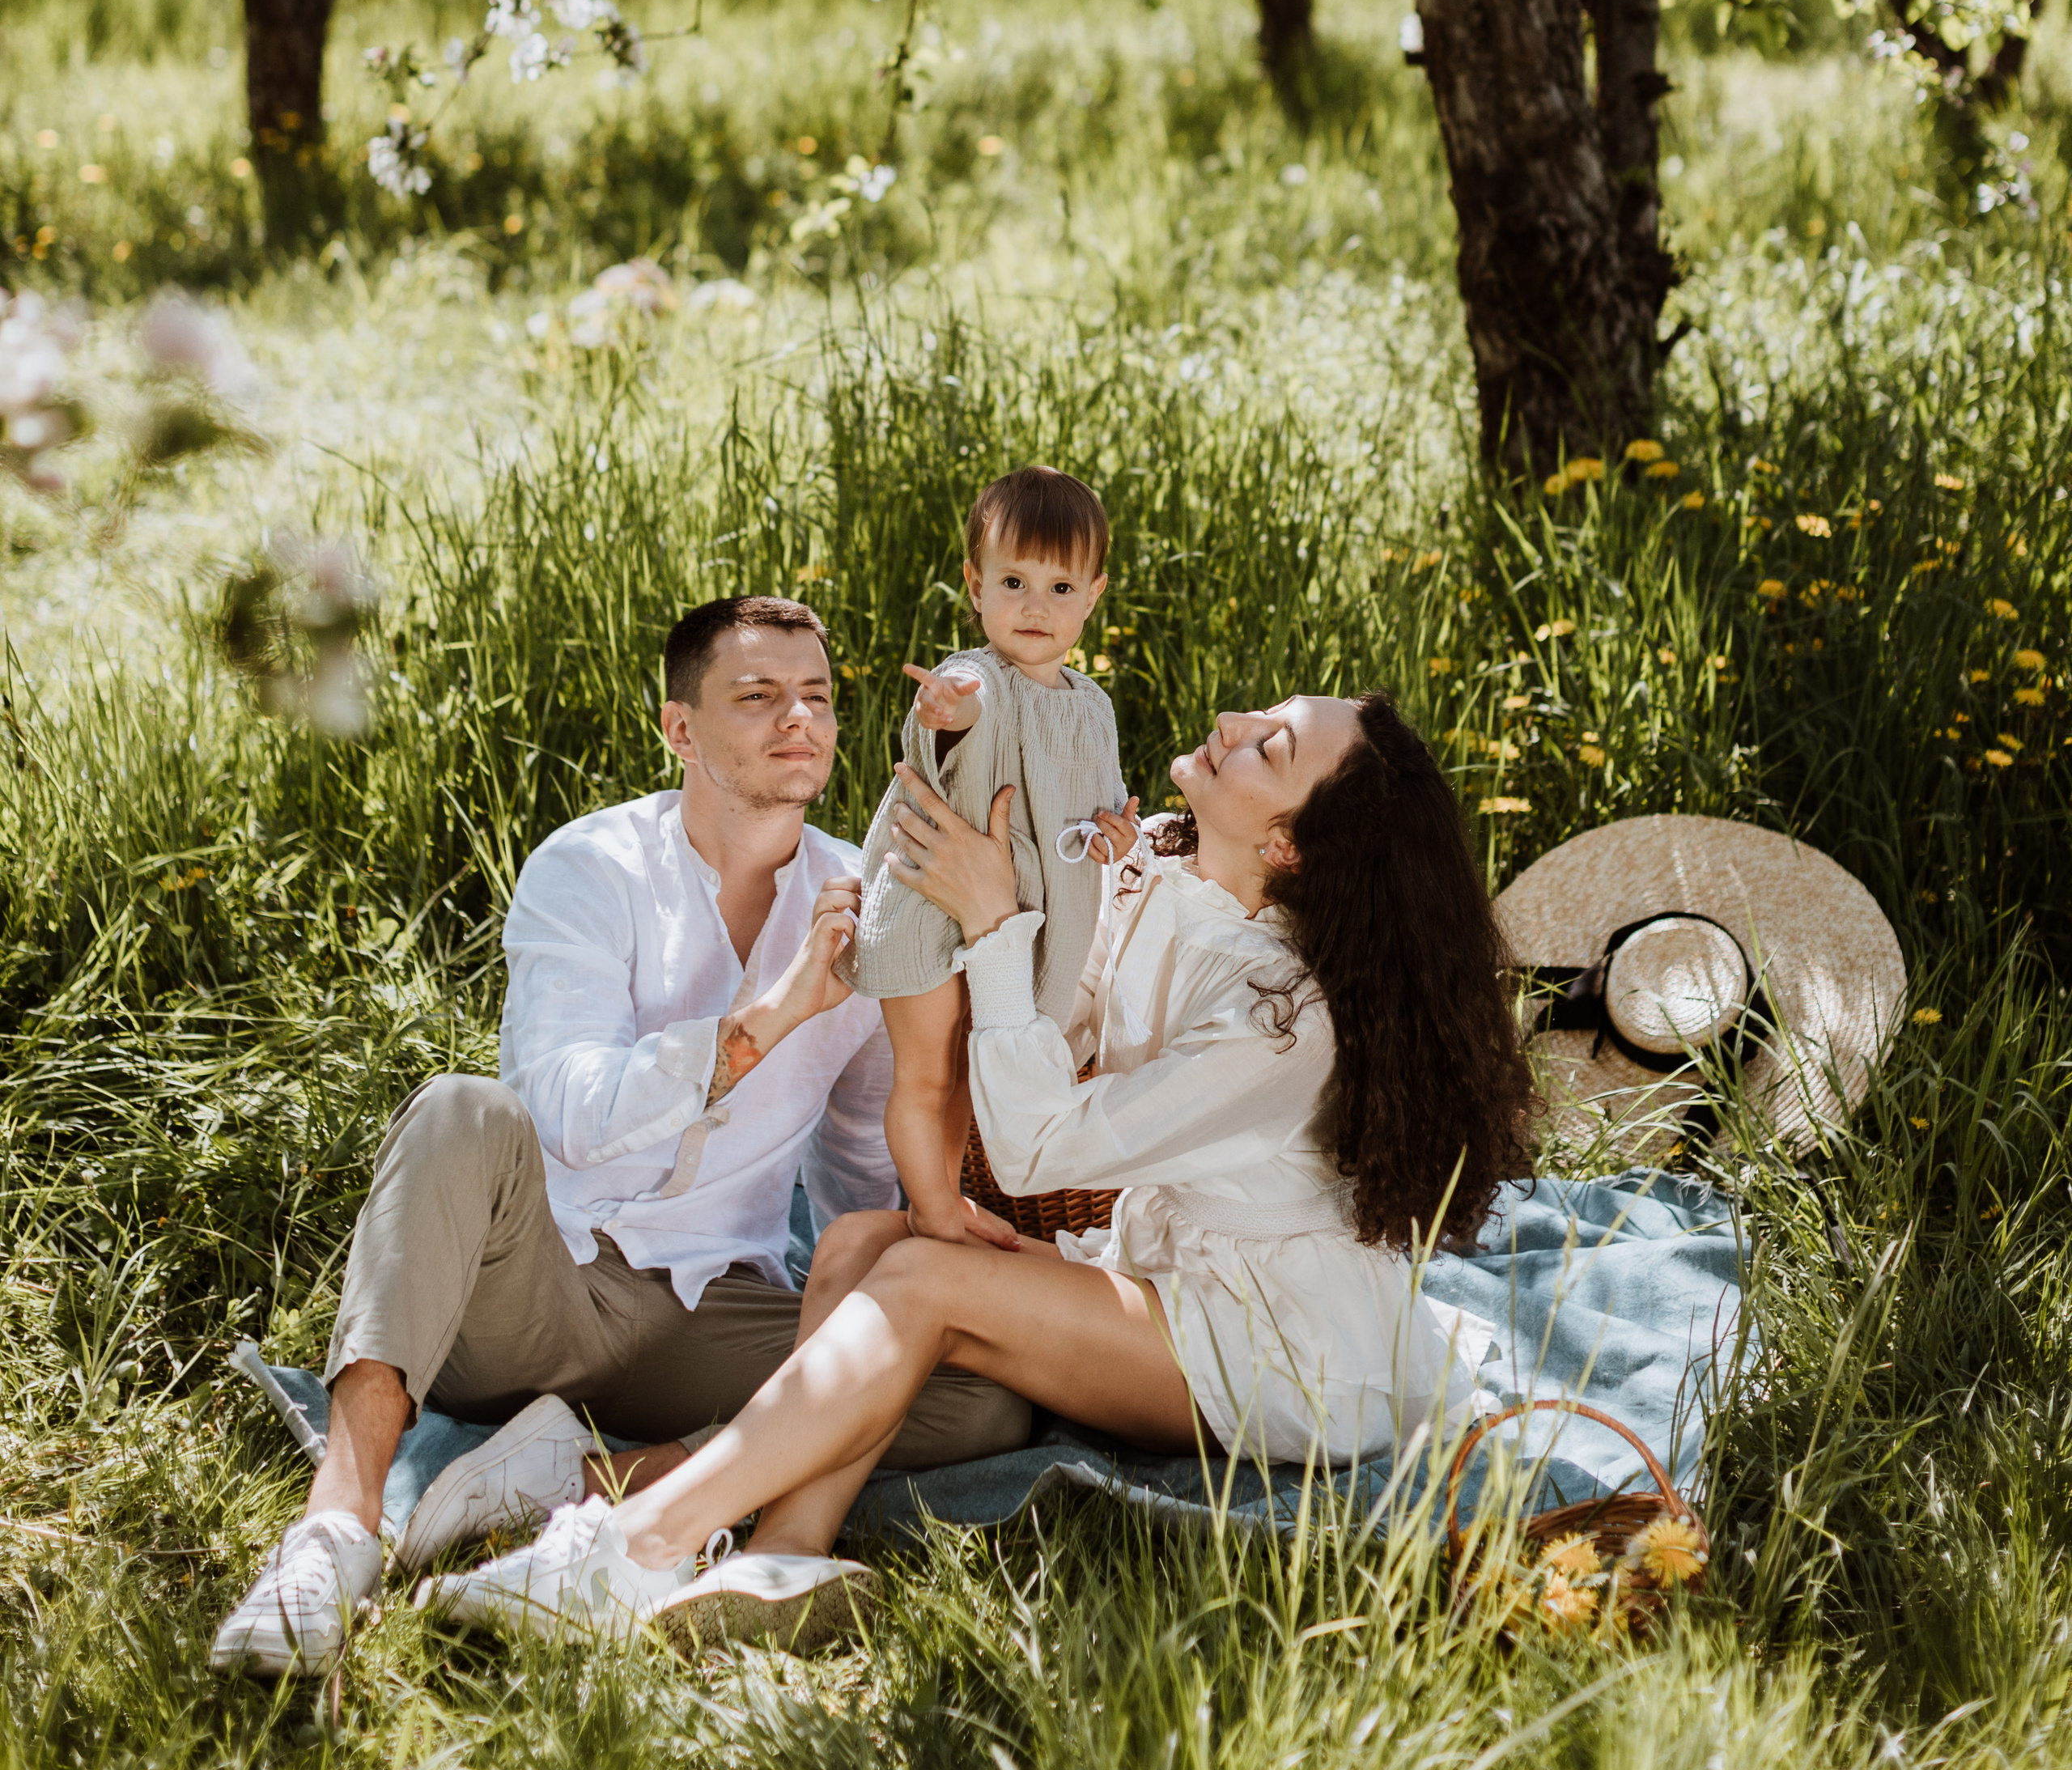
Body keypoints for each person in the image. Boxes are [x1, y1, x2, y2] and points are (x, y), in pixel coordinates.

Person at [429, 686, 1540, 1653]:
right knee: (862, 1240)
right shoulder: (1177, 877)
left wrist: (995, 919)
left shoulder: (1282, 1022)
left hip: (1276, 1352)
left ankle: (633, 1546)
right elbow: (1073, 1020)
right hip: (1180, 1277)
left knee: (927, 1281)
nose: (1235, 723)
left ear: (1289, 846)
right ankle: (783, 1554)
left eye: (1272, 746)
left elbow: (1036, 1146)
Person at [210, 592, 1031, 1677]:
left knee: (981, 1393)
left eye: (818, 697)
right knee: (457, 1108)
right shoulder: (590, 867)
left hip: (711, 1308)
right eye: (759, 696)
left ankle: (580, 1482)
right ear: (680, 728)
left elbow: (855, 1160)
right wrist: (768, 1018)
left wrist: (902, 1263)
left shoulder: (862, 902)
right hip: (539, 1288)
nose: (800, 719)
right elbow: (569, 1110)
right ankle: (335, 1534)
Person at [843, 465, 1137, 1244]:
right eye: (1014, 582)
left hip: (1013, 918)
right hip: (928, 902)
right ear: (976, 587)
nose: (1036, 606)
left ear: (1093, 596)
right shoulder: (974, 679)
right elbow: (961, 708)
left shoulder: (1093, 707)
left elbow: (1096, 806)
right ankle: (933, 1210)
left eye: (1060, 588)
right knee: (927, 1071)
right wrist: (945, 710)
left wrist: (1114, 834)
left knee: (971, 1074)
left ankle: (941, 1197)